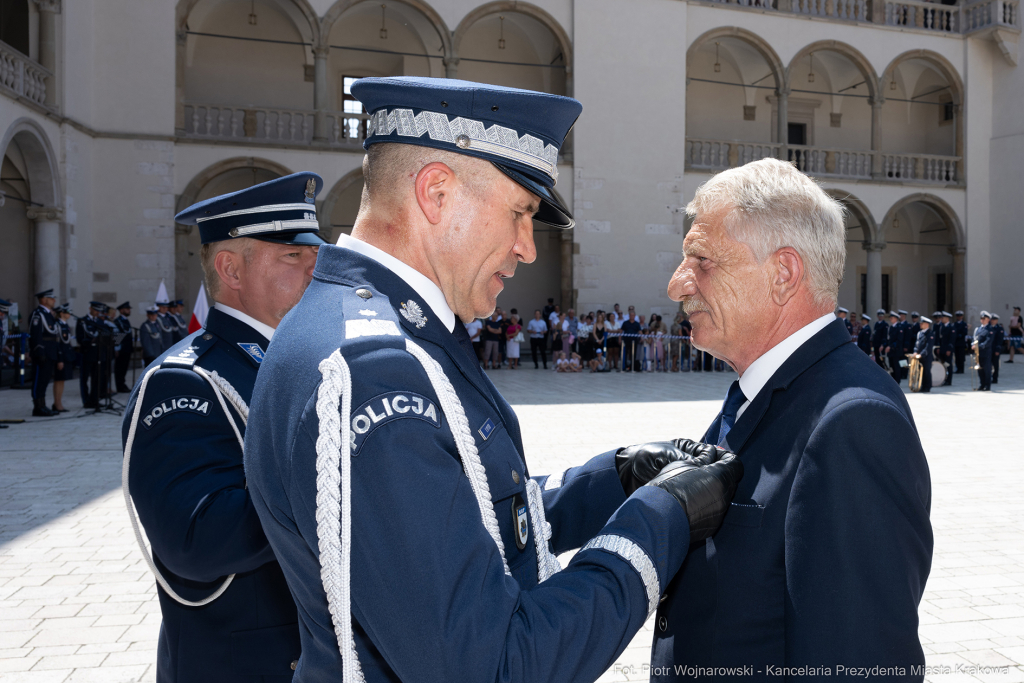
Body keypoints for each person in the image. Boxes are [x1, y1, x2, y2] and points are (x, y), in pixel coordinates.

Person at [243, 76, 742, 683]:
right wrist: (661, 518)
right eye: (520, 213)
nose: (528, 248)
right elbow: (491, 664)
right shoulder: (376, 370)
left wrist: (610, 480)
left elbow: (466, 513)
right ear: (436, 193)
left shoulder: (376, 325)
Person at [658, 157, 932, 678]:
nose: (678, 284)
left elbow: (857, 661)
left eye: (702, 261)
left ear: (783, 273)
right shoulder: (764, 388)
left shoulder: (851, 423)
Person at [120, 172, 324, 682]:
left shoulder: (298, 362)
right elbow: (195, 540)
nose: (314, 270)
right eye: (293, 257)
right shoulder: (184, 382)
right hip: (250, 664)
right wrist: (338, 482)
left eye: (314, 256)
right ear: (231, 268)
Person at [28, 289, 60, 416]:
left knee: (45, 380)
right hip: (42, 352)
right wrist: (39, 351)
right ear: (44, 300)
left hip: (50, 351)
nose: (54, 301)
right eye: (51, 298)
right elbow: (36, 335)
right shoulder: (37, 314)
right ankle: (38, 406)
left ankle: (43, 405)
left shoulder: (48, 314)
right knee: (39, 380)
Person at [52, 304, 74, 412]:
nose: (69, 314)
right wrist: (60, 359)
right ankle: (57, 403)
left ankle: (58, 402)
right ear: (61, 313)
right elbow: (58, 343)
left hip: (67, 355)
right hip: (61, 356)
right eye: (67, 312)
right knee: (59, 380)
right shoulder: (58, 325)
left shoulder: (65, 325)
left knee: (62, 380)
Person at [111, 301, 134, 393]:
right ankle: (120, 386)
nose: (129, 311)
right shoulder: (118, 321)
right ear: (121, 310)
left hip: (127, 348)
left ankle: (123, 384)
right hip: (121, 349)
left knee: (124, 368)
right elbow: (117, 336)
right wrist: (116, 348)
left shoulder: (125, 320)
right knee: (119, 369)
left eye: (129, 309)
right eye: (127, 309)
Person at [911, 316, 934, 393]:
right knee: (920, 372)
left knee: (926, 371)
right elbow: (916, 344)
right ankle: (922, 386)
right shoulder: (919, 333)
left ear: (927, 324)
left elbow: (928, 347)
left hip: (926, 356)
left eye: (922, 323)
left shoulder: (930, 333)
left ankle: (927, 387)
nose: (920, 324)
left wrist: (921, 354)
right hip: (919, 356)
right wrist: (915, 351)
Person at [974, 311, 994, 391]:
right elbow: (975, 338)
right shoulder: (979, 328)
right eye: (981, 318)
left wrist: (978, 347)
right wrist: (973, 345)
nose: (982, 320)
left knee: (987, 370)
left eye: (984, 318)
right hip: (978, 353)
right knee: (980, 370)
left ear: (988, 319)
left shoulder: (990, 329)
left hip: (985, 352)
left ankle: (987, 386)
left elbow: (988, 341)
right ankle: (982, 385)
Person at [884, 310, 904, 384]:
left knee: (896, 366)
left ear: (896, 318)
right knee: (891, 366)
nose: (891, 319)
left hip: (896, 350)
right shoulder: (891, 327)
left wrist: (891, 346)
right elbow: (889, 339)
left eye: (892, 318)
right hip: (891, 351)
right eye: (890, 318)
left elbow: (899, 340)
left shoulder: (899, 327)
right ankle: (893, 380)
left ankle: (897, 381)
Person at [991, 313, 1004, 384]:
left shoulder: (999, 328)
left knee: (995, 365)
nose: (993, 321)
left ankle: (995, 378)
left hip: (995, 349)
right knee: (987, 365)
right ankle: (988, 377)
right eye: (992, 319)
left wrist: (998, 349)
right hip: (988, 349)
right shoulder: (988, 327)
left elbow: (999, 340)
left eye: (995, 320)